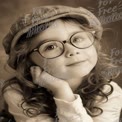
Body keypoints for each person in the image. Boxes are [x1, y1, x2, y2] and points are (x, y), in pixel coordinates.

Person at [1, 5, 122, 122]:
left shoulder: (109, 92)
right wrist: (61, 90)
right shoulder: (18, 92)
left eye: (77, 39)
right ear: (28, 60)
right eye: (51, 46)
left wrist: (60, 89)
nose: (72, 51)